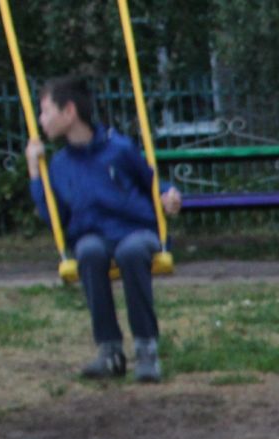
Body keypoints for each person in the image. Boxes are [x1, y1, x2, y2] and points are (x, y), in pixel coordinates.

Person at [24, 76, 182, 382]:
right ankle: (110, 351)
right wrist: (34, 171)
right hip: (93, 235)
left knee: (132, 251)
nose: (40, 120)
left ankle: (146, 350)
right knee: (89, 251)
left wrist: (168, 195)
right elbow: (53, 216)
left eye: (45, 111)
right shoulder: (58, 165)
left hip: (136, 231)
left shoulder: (119, 148)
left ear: (68, 111)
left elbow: (151, 183)